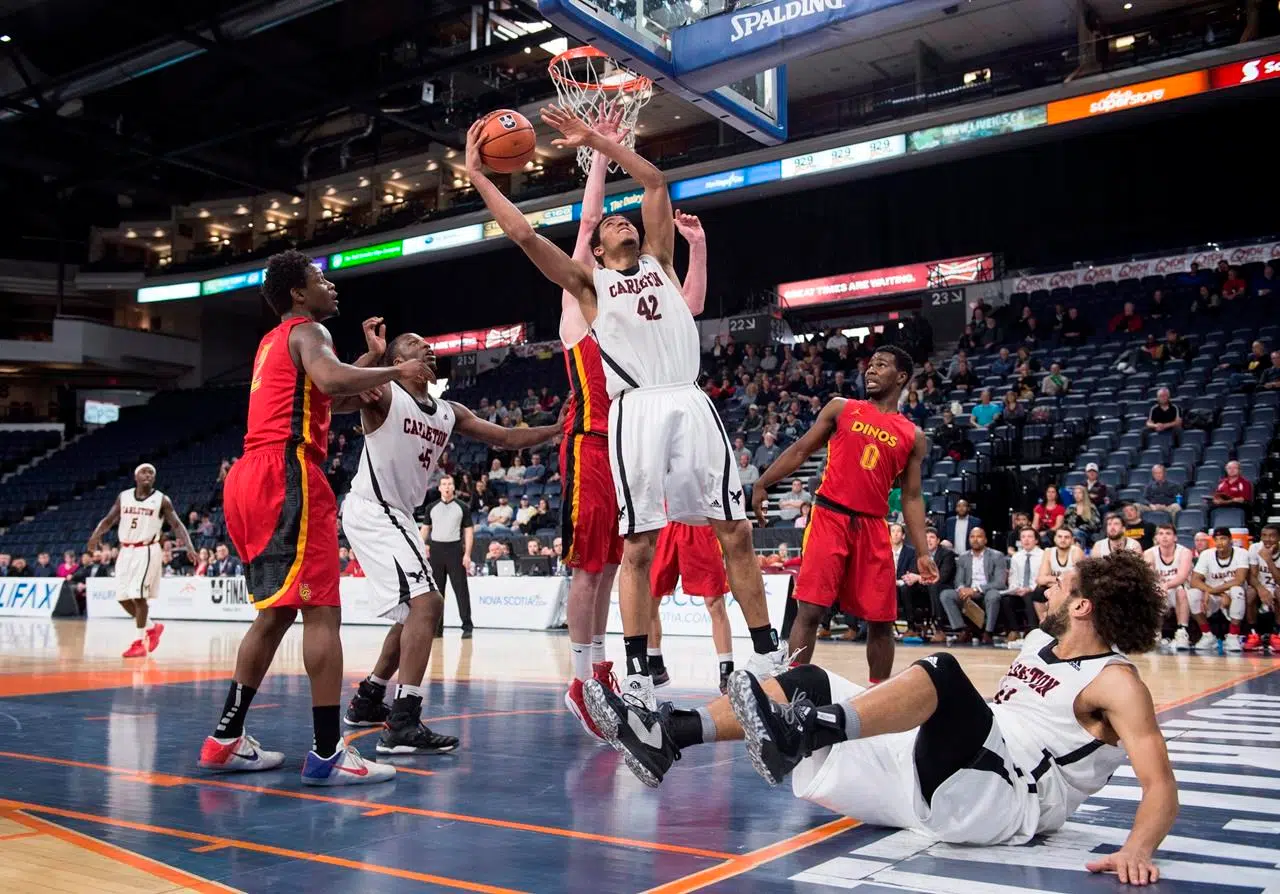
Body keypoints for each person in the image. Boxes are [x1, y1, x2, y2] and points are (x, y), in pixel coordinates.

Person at [586, 552, 1177, 889]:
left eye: (1061, 584)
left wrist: (1139, 848)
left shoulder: (1117, 684)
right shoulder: (1039, 643)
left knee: (942, 672)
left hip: (1005, 801)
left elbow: (1160, 785)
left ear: (1082, 606)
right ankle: (666, 736)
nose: (1048, 586)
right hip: (953, 776)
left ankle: (801, 731)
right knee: (809, 678)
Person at [470, 106, 784, 709]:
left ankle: (768, 652)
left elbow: (655, 183)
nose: (621, 222)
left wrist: (599, 142)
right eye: (611, 223)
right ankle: (637, 669)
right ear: (598, 246)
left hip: (690, 399)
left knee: (736, 530)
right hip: (635, 411)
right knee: (637, 546)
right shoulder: (588, 287)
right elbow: (524, 235)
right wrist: (480, 176)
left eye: (625, 219)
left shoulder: (662, 262)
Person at [198, 250, 430, 786]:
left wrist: (370, 361)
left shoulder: (273, 342)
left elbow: (327, 396)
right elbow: (329, 378)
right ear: (298, 294)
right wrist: (396, 368)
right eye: (320, 278)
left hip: (250, 476)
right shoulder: (310, 332)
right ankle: (328, 753)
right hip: (289, 473)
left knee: (275, 614)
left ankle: (225, 739)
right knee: (322, 612)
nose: (331, 285)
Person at [341, 329, 562, 752]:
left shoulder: (448, 411)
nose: (426, 347)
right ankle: (402, 722)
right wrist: (371, 359)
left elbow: (505, 438)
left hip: (399, 515)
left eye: (427, 345)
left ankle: (369, 698)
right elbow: (332, 397)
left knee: (413, 614)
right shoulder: (384, 392)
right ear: (398, 360)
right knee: (429, 604)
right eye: (414, 344)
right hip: (373, 508)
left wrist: (556, 428)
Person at [748, 347, 936, 683]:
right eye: (870, 365)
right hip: (829, 517)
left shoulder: (913, 436)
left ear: (901, 377)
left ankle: (877, 695)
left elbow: (911, 496)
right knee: (809, 610)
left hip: (873, 525)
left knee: (881, 620)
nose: (871, 370)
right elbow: (800, 450)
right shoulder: (842, 407)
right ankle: (792, 688)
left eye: (881, 365)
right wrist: (763, 482)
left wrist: (922, 552)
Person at [87, 462, 197, 658]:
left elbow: (177, 525)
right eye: (144, 472)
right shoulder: (124, 497)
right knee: (122, 597)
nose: (148, 475)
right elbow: (109, 519)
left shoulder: (162, 500)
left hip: (147, 550)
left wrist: (189, 547)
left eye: (151, 473)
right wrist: (95, 535)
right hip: (125, 550)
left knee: (139, 596)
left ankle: (139, 642)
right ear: (135, 477)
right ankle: (152, 627)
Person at [648, 522, 734, 693]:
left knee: (714, 602)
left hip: (698, 521)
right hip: (665, 522)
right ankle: (655, 664)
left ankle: (727, 671)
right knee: (650, 598)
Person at [425, 474, 476, 639]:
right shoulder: (431, 507)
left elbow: (469, 532)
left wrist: (467, 554)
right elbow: (425, 529)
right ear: (439, 487)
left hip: (455, 550)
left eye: (449, 484)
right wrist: (420, 547)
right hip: (436, 551)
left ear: (454, 487)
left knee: (461, 590)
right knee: (437, 593)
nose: (447, 487)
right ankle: (437, 629)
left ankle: (467, 626)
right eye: (444, 484)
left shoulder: (462, 507)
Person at [939, 527, 1007, 644]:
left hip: (986, 591)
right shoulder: (963, 557)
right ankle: (963, 630)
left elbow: (1000, 582)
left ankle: (988, 632)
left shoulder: (997, 556)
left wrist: (975, 589)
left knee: (993, 595)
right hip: (968, 592)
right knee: (946, 594)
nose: (975, 540)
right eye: (972, 537)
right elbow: (958, 581)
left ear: (985, 540)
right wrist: (962, 589)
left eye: (979, 536)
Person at [1189, 527, 1250, 653]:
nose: (1219, 542)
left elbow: (1239, 580)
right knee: (1192, 593)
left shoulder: (1241, 553)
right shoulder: (1206, 554)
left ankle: (1233, 637)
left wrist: (1212, 591)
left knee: (1237, 590)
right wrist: (1219, 593)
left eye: (1223, 539)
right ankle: (1207, 635)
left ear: (1230, 540)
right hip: (1214, 595)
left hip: (1231, 594)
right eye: (1216, 539)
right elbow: (1194, 580)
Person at [1144, 524, 1194, 651]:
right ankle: (1155, 632)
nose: (1164, 537)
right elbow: (1150, 576)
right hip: (1161, 590)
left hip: (1181, 590)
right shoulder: (1149, 553)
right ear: (1156, 538)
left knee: (1180, 590)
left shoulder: (1185, 552)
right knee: (1152, 591)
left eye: (1168, 533)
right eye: (1161, 534)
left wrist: (1166, 585)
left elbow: (1182, 577)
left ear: (1175, 537)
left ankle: (1182, 632)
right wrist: (1160, 587)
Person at [1002, 527, 1044, 635]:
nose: (1026, 540)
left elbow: (1042, 577)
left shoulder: (1043, 555)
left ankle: (1032, 631)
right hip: (1019, 591)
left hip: (1035, 590)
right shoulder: (1016, 557)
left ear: (1036, 540)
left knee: (1029, 596)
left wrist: (1030, 589)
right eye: (1023, 537)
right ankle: (1014, 631)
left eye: (1030, 537)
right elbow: (1013, 577)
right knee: (1006, 600)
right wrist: (1015, 589)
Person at [1246, 525, 1280, 651]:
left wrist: (1268, 560)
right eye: (1264, 535)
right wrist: (1261, 590)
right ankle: (1253, 634)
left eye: (1272, 536)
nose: (1267, 539)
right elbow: (1251, 576)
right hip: (1260, 586)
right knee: (1250, 593)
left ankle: (1277, 634)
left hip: (1277, 586)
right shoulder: (1255, 548)